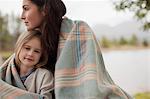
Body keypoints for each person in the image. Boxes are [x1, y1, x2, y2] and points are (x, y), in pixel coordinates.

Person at [0, 0, 133, 99]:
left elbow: (90, 83)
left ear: (45, 9)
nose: (22, 16)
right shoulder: (33, 40)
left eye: (26, 8)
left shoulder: (78, 30)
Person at [0, 30, 53, 99]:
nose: (30, 54)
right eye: (27, 48)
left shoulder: (45, 75)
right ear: (18, 47)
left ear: (41, 55)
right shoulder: (6, 71)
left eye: (37, 51)